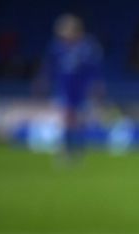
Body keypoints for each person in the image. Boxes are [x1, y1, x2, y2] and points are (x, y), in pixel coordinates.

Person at [37, 13, 103, 162]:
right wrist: (43, 81)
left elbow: (95, 69)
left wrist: (96, 86)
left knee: (79, 121)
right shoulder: (57, 47)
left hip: (82, 90)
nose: (65, 35)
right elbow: (49, 66)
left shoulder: (87, 47)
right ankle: (66, 151)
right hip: (64, 89)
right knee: (66, 119)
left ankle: (78, 151)